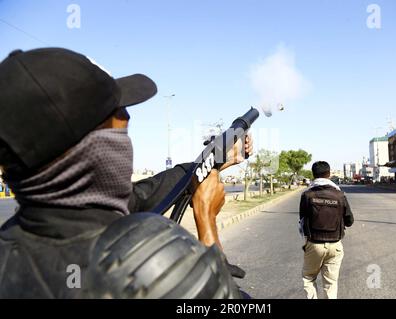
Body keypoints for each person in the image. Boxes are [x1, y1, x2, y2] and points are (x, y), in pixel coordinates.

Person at [0, 47, 252, 298]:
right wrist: (205, 216)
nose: (126, 116)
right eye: (118, 117)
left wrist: (213, 162)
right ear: (92, 148)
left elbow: (143, 196)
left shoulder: (14, 251)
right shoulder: (148, 270)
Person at [299, 161, 354, 299]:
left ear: (313, 175)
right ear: (329, 174)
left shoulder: (307, 195)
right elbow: (350, 221)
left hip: (314, 245)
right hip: (335, 246)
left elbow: (302, 220)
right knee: (330, 284)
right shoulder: (340, 195)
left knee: (309, 278)